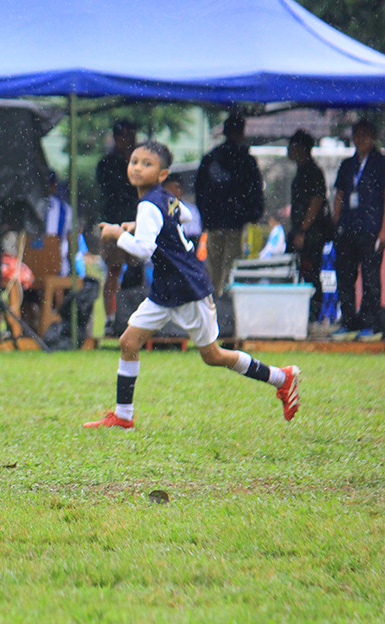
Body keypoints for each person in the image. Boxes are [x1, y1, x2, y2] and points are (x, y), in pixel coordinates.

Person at [84, 140, 300, 430]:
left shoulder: (149, 204)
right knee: (128, 342)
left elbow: (144, 250)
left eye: (147, 164)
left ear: (162, 174)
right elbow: (181, 216)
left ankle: (281, 378)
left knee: (213, 355)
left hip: (187, 289)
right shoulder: (164, 199)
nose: (137, 167)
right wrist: (136, 226)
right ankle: (123, 416)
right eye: (134, 161)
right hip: (166, 290)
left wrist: (116, 233)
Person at [195, 112, 265, 295]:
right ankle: (226, 307)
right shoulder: (246, 159)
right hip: (236, 222)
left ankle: (212, 306)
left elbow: (199, 189)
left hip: (214, 221)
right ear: (242, 132)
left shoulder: (212, 158)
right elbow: (255, 190)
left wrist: (206, 217)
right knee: (231, 267)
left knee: (213, 267)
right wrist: (253, 214)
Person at [330, 119, 385, 341]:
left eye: (364, 134)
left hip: (371, 228)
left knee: (370, 276)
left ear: (372, 136)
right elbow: (340, 195)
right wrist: (336, 223)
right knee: (344, 274)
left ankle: (371, 323)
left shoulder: (380, 164)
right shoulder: (347, 165)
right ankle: (349, 321)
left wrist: (383, 231)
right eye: (356, 134)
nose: (359, 139)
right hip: (348, 227)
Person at [96, 120, 141, 334]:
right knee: (113, 271)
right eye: (126, 136)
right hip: (113, 222)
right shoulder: (108, 163)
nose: (129, 141)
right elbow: (114, 190)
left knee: (136, 272)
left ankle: (132, 315)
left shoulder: (139, 162)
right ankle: (110, 318)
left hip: (136, 223)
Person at [286, 130, 330, 324]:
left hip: (311, 234)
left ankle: (314, 317)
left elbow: (316, 201)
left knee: (311, 273)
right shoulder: (301, 171)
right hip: (301, 231)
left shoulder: (312, 172)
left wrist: (303, 231)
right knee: (299, 272)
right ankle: (302, 316)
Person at [44, 168, 73, 276]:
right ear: (54, 185)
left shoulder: (30, 207)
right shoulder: (66, 209)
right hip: (58, 269)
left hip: (30, 268)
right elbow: (73, 245)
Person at [162, 173, 201, 247]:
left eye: (176, 188)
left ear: (182, 189)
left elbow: (194, 236)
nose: (173, 192)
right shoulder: (158, 210)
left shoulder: (192, 210)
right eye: (169, 189)